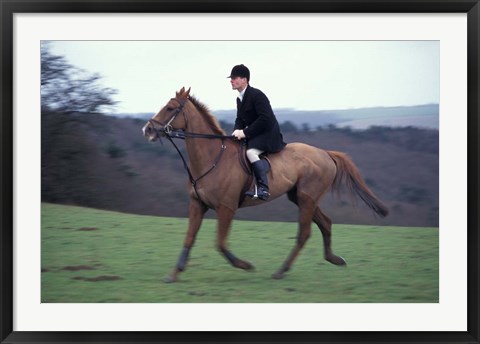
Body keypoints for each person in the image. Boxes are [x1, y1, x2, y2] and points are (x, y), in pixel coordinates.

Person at [228, 64, 286, 201]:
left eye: (234, 78)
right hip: (256, 133)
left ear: (244, 80)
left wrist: (245, 133)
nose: (231, 80)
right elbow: (240, 119)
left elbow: (265, 119)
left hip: (269, 134)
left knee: (250, 152)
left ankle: (263, 188)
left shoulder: (257, 95)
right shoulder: (239, 98)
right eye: (231, 78)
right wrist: (236, 130)